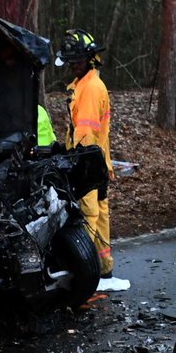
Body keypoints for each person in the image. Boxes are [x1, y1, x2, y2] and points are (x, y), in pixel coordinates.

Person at [57, 28, 127, 290]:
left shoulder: (89, 89)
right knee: (99, 214)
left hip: (87, 164)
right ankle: (104, 268)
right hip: (97, 163)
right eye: (70, 62)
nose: (72, 67)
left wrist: (75, 165)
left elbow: (85, 133)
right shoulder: (87, 85)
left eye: (76, 62)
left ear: (89, 59)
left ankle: (87, 272)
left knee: (88, 215)